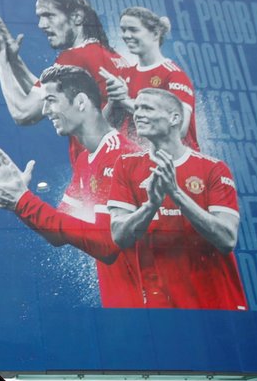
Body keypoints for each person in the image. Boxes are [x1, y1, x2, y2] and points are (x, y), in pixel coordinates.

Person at [0, 65, 143, 308]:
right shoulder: (86, 160)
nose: (45, 110)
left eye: (51, 100)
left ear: (81, 101)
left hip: (146, 309)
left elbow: (107, 244)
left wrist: (23, 201)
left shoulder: (121, 156)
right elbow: (57, 233)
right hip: (121, 308)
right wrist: (19, 202)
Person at [106, 89, 247, 310]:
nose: (138, 114)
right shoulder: (125, 166)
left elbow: (227, 238)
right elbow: (119, 236)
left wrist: (177, 194)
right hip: (162, 309)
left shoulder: (213, 169)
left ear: (174, 118)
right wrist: (151, 205)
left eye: (148, 108)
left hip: (218, 305)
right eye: (137, 108)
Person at [0, 0, 129, 163]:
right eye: (40, 17)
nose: (41, 25)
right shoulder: (111, 56)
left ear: (77, 17)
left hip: (102, 169)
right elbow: (47, 93)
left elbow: (23, 112)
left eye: (49, 15)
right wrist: (14, 61)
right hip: (117, 163)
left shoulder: (74, 57)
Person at [100, 6, 200, 150]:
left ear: (155, 34)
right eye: (123, 30)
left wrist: (126, 101)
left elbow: (180, 129)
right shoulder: (124, 75)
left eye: (133, 30)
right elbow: (103, 129)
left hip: (174, 165)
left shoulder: (173, 75)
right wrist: (112, 102)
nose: (126, 35)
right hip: (137, 162)